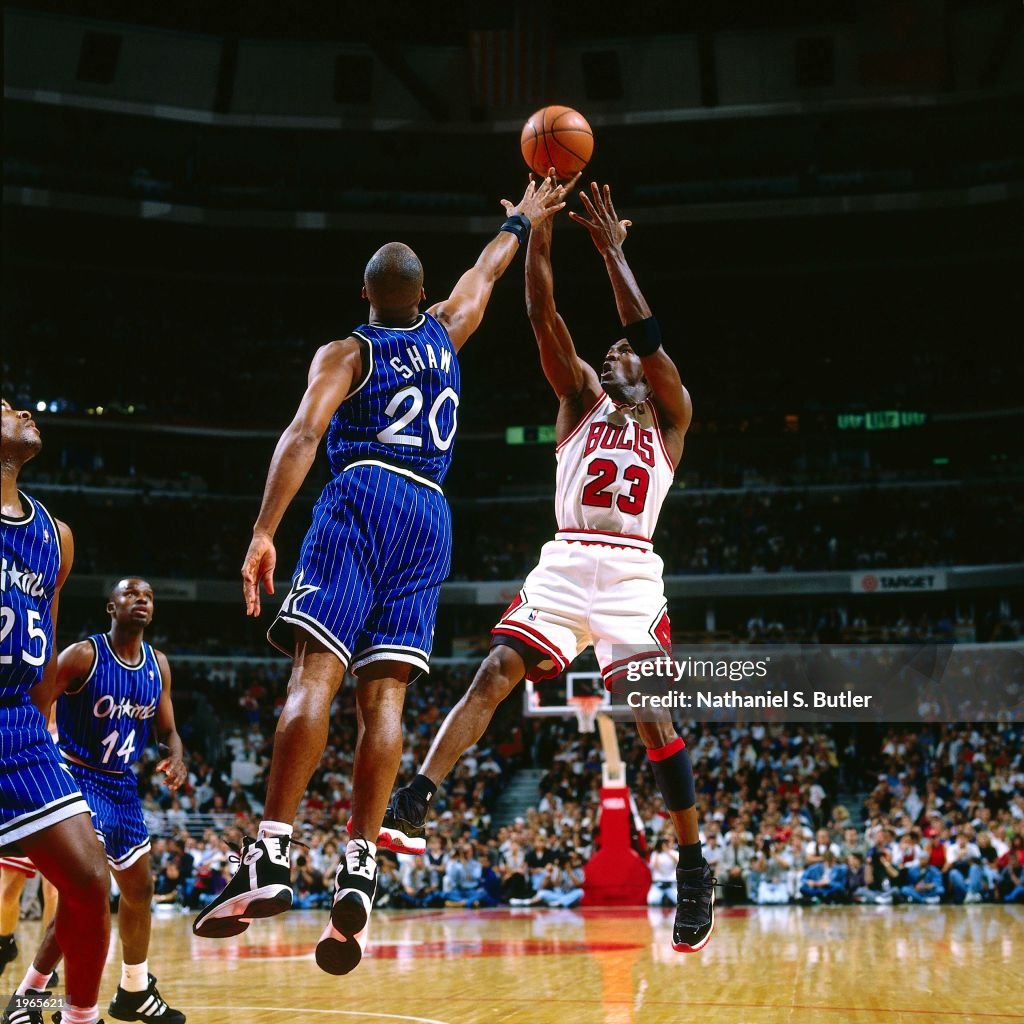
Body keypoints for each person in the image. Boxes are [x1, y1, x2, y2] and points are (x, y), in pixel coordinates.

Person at [192, 177, 567, 978]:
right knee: (385, 699)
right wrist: (522, 218)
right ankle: (359, 867)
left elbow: (301, 435)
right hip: (431, 514)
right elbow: (487, 273)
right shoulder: (448, 330)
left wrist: (264, 530)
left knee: (314, 673)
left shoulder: (348, 351)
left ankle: (272, 853)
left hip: (362, 492)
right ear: (422, 294)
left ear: (363, 295)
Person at [377, 179, 716, 954]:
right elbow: (541, 315)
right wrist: (539, 234)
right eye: (607, 352)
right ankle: (417, 795)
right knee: (497, 667)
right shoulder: (579, 400)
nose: (611, 354)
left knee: (651, 713)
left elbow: (650, 334)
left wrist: (614, 254)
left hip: (633, 570)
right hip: (567, 558)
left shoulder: (673, 415)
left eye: (620, 351)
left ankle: (692, 865)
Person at [14, 579, 187, 1023]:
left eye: (149, 595)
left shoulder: (159, 665)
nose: (142, 600)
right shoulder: (83, 655)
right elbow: (36, 699)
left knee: (140, 890)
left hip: (122, 785)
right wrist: (40, 754)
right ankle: (30, 998)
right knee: (83, 892)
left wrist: (177, 757)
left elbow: (167, 730)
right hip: (76, 776)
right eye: (131, 595)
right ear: (111, 607)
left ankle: (134, 989)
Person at [0, 398, 111, 1024]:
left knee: (91, 880)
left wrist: (44, 717)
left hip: (18, 722)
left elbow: (48, 628)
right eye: (6, 408)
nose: (21, 412)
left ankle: (79, 1015)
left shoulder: (54, 535)